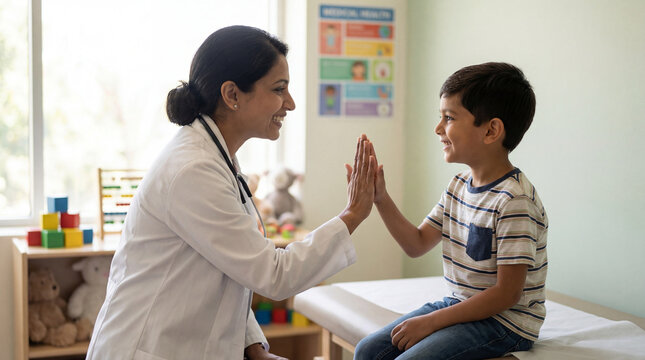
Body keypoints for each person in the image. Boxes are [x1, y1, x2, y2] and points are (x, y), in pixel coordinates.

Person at [87, 25, 377, 360]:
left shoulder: (216, 156)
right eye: (279, 89)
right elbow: (273, 274)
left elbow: (232, 270)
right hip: (147, 348)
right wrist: (353, 214)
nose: (291, 104)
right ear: (232, 95)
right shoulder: (193, 169)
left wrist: (253, 348)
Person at [354, 62, 548, 360]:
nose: (438, 128)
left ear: (491, 130)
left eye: (449, 117)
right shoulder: (459, 185)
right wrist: (381, 197)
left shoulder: (514, 201)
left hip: (505, 322)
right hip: (460, 304)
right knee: (367, 351)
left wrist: (430, 322)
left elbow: (507, 294)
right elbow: (416, 244)